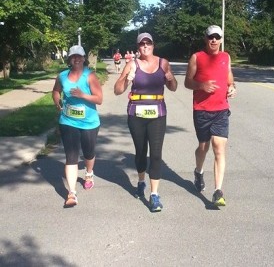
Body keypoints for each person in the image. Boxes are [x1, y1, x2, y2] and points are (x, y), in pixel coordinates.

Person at [114, 32, 177, 212]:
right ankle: (141, 181)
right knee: (141, 152)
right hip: (137, 114)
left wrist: (171, 79)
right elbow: (117, 90)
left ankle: (154, 194)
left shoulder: (163, 63)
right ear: (138, 47)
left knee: (156, 154)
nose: (145, 46)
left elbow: (173, 88)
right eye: (142, 44)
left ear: (153, 45)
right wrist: (127, 79)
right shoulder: (131, 64)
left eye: (148, 43)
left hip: (158, 113)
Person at [184, 25, 236, 207]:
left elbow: (229, 77)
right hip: (202, 109)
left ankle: (218, 190)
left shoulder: (226, 57)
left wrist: (232, 87)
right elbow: (187, 82)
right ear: (205, 39)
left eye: (217, 37)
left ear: (221, 39)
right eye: (210, 37)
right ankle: (198, 171)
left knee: (219, 146)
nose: (214, 40)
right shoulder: (197, 57)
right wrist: (201, 86)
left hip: (221, 109)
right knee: (203, 147)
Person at [52, 45, 103, 208]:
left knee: (88, 153)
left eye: (79, 56)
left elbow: (99, 99)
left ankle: (89, 174)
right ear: (69, 59)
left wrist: (82, 95)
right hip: (68, 121)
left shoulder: (90, 76)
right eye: (73, 56)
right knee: (71, 156)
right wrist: (57, 102)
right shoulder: (62, 76)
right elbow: (56, 91)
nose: (76, 59)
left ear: (83, 58)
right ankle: (72, 193)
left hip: (89, 122)